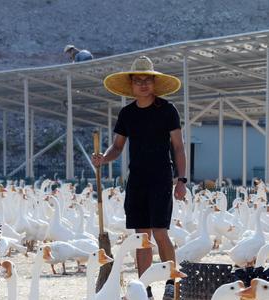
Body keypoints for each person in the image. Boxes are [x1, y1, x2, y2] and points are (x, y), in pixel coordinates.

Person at [91, 56, 187, 300]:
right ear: (131, 85)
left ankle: (171, 285)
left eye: (147, 80)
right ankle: (144, 289)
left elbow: (178, 147)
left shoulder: (167, 110)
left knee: (160, 232)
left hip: (161, 177)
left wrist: (181, 179)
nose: (143, 85)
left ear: (154, 83)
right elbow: (117, 147)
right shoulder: (127, 114)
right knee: (140, 235)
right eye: (138, 81)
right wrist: (104, 157)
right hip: (137, 180)